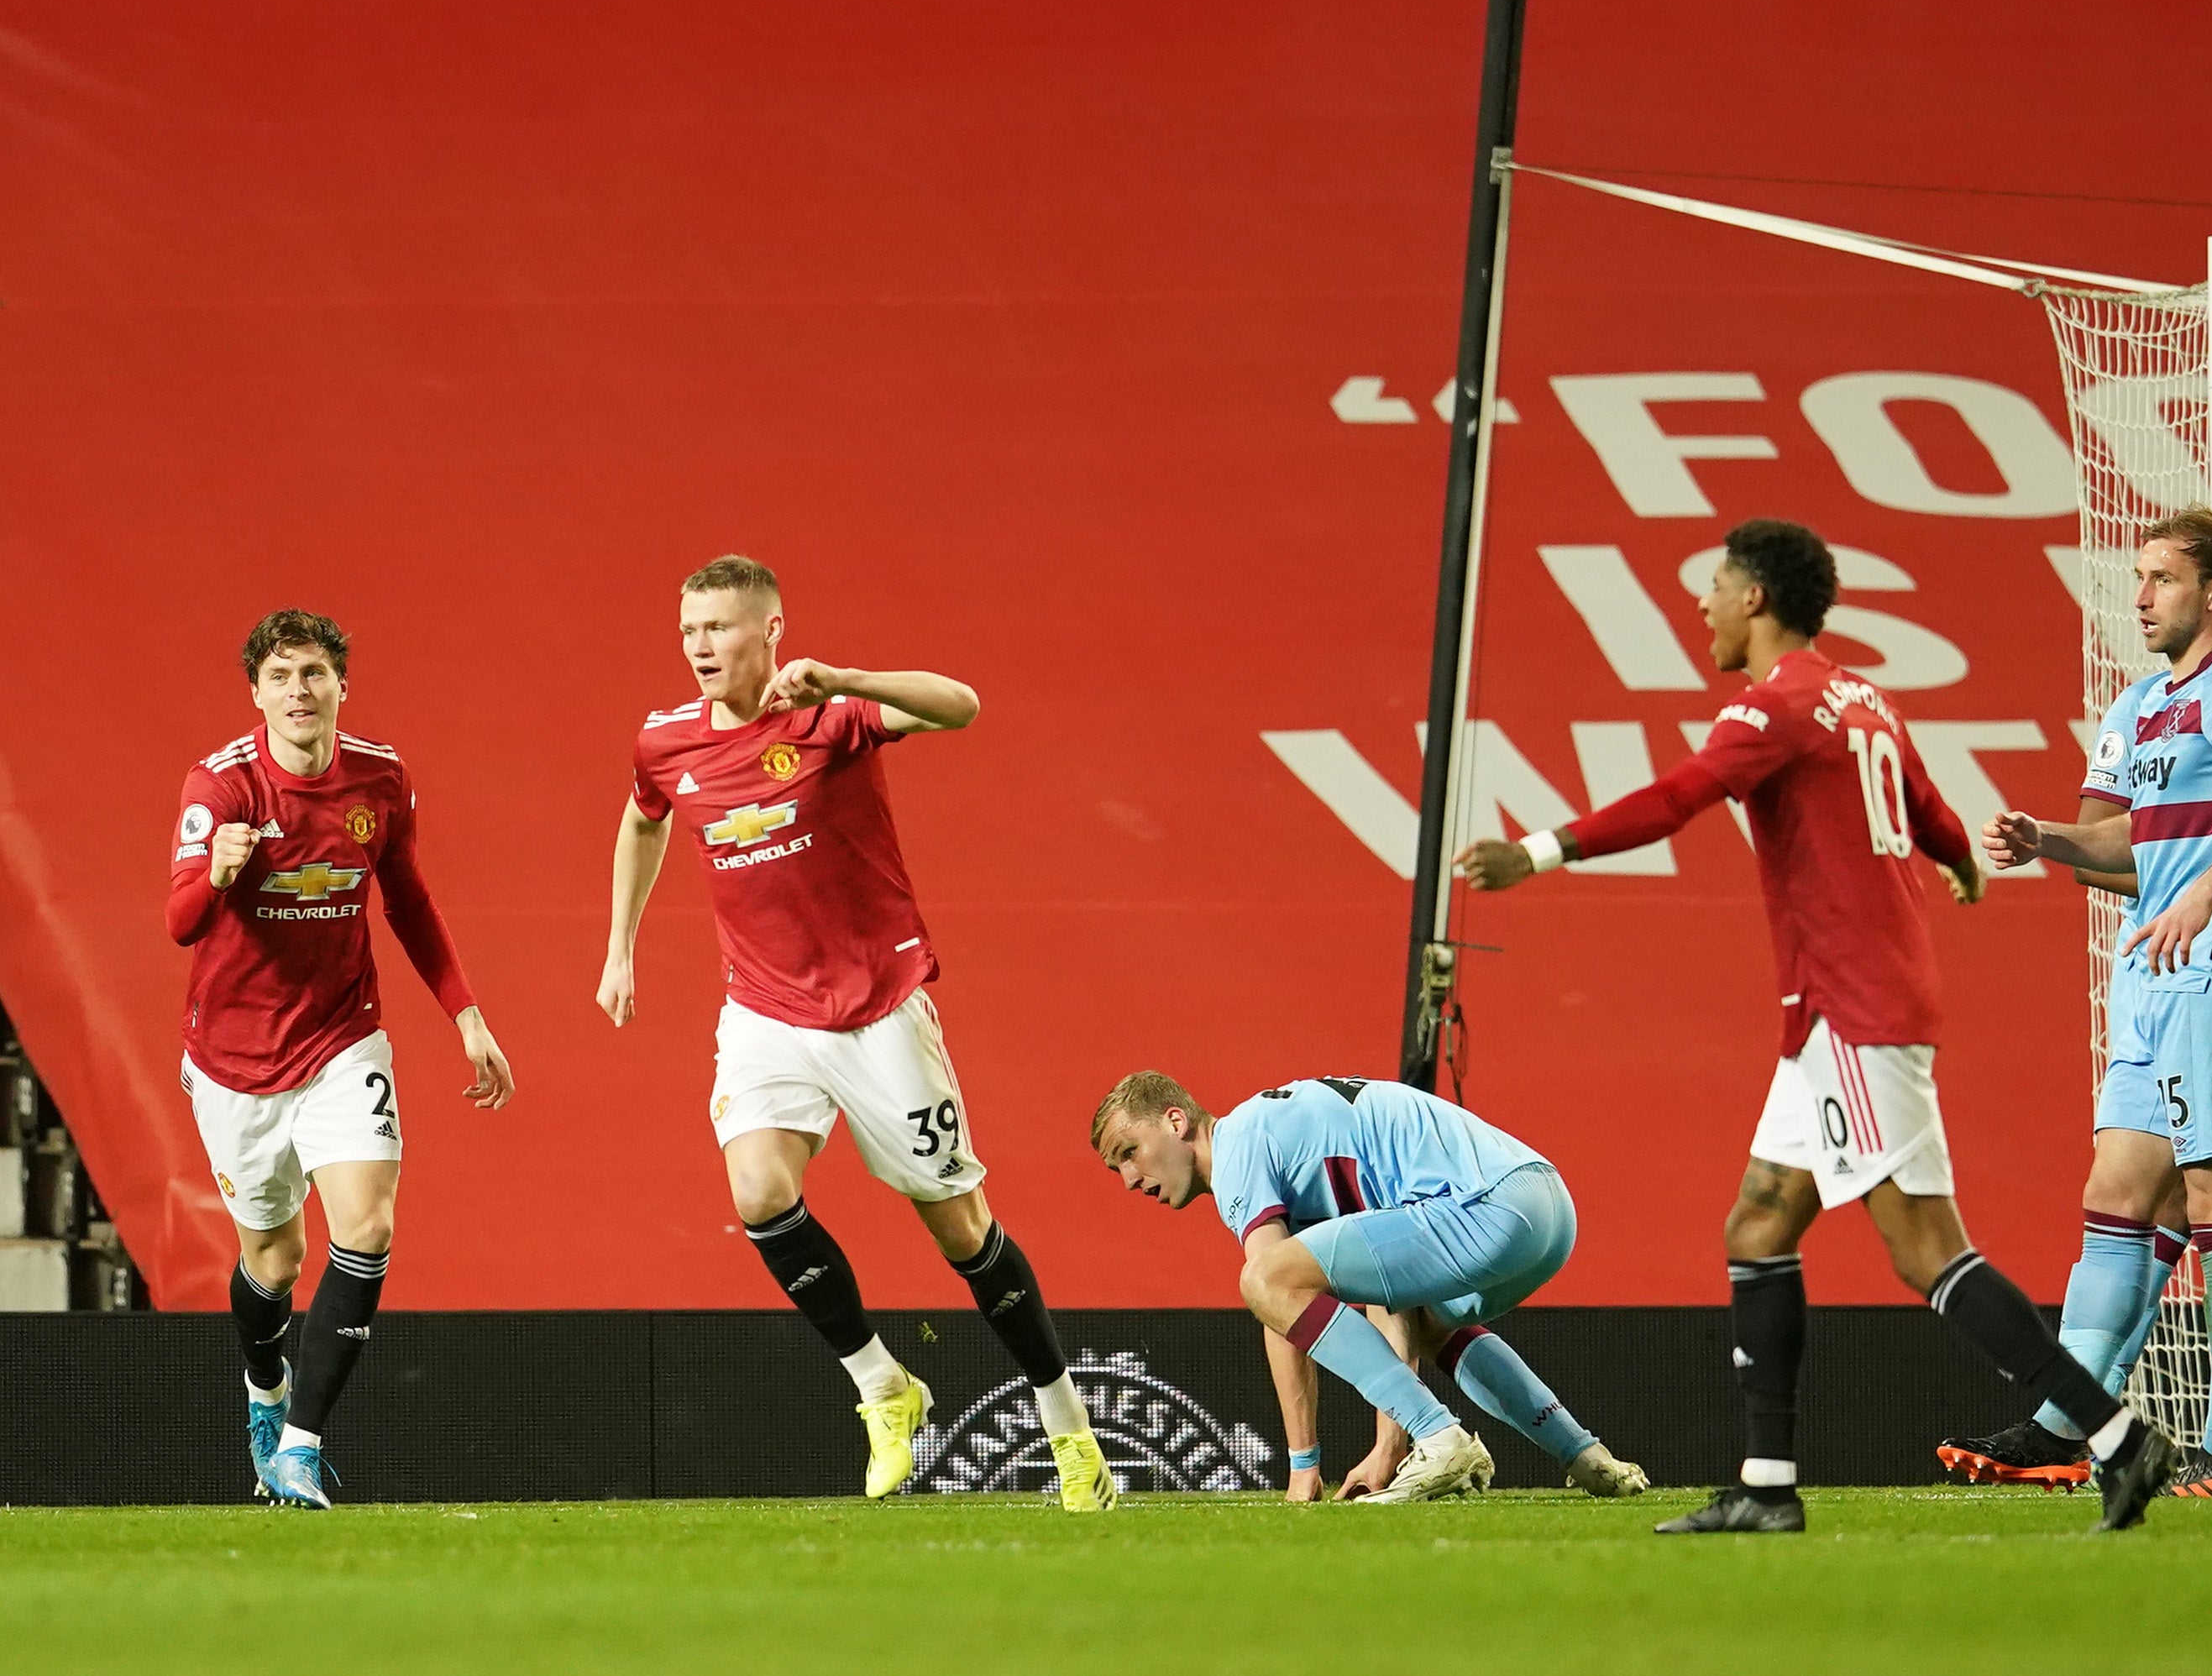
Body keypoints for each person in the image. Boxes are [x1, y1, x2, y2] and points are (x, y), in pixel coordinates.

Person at [1457, 517, 2174, 1534]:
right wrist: (1960, 862)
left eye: (1713, 586)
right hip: (1847, 1013)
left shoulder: (1777, 706)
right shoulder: (1861, 697)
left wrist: (1537, 851)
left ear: (1755, 599)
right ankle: (1766, 1486)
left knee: (1927, 1252)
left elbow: (1678, 798)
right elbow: (1926, 802)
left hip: (1854, 1010)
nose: (1700, 604)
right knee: (1757, 1223)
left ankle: (2116, 1441)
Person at [597, 554, 1113, 1510]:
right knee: (758, 1192)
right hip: (762, 1010)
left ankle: (1067, 1425)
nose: (701, 646)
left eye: (719, 627)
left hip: (878, 1006)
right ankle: (883, 1385)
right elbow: (643, 821)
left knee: (959, 1228)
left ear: (771, 628)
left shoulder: (829, 718)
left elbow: (960, 704)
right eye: (689, 631)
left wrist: (849, 679)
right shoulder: (664, 741)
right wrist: (620, 944)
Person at [1939, 528, 2212, 1494]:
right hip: (2152, 983)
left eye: (2160, 578)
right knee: (2117, 1200)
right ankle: (2065, 1423)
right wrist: (2047, 838)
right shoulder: (2135, 708)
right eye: (2137, 578)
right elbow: (2132, 853)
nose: (2139, 595)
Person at [167, 610, 513, 1510]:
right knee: (274, 1264)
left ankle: (300, 1448)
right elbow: (178, 924)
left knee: (366, 1226)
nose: (299, 692)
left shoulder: (381, 778)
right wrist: (216, 871)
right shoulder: (222, 785)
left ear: (340, 685)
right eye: (280, 677)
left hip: (341, 1038)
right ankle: (264, 1387)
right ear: (256, 693)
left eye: (315, 674)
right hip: (234, 1059)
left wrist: (466, 1015)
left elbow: (410, 902)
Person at [1092, 1071, 1647, 1503]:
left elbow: (1276, 1308)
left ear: (1175, 1120)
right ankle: (1584, 1453)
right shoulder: (1274, 1130)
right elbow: (1391, 1301)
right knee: (1427, 1320)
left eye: (1129, 1152)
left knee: (1264, 1279)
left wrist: (1304, 1468)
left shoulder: (1236, 1150)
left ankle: (1442, 1437)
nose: (1129, 1180)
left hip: (1490, 1207)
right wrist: (1387, 1449)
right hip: (1548, 1210)